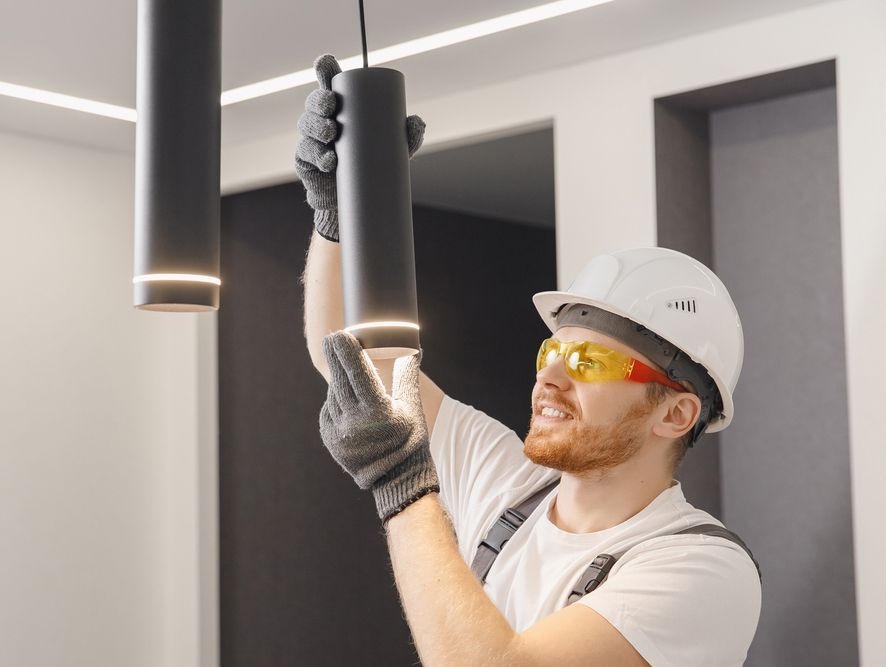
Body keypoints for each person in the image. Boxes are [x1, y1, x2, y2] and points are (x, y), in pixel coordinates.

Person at [299, 54, 761, 666]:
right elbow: (349, 360)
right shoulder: (510, 486)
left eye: (590, 361)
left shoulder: (698, 566)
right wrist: (340, 217)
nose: (550, 376)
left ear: (675, 414)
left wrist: (403, 484)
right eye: (553, 351)